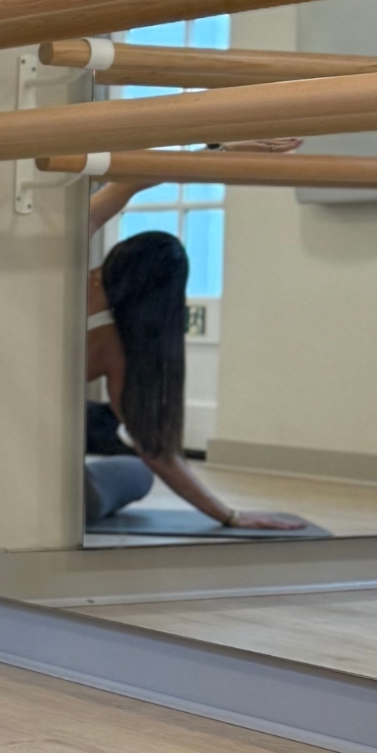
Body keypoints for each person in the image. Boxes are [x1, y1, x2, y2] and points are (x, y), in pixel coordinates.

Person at [84, 167, 309, 533]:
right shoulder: (117, 349)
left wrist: (222, 152)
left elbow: (128, 182)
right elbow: (155, 453)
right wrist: (230, 516)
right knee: (136, 474)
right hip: (30, 455)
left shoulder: (65, 265)